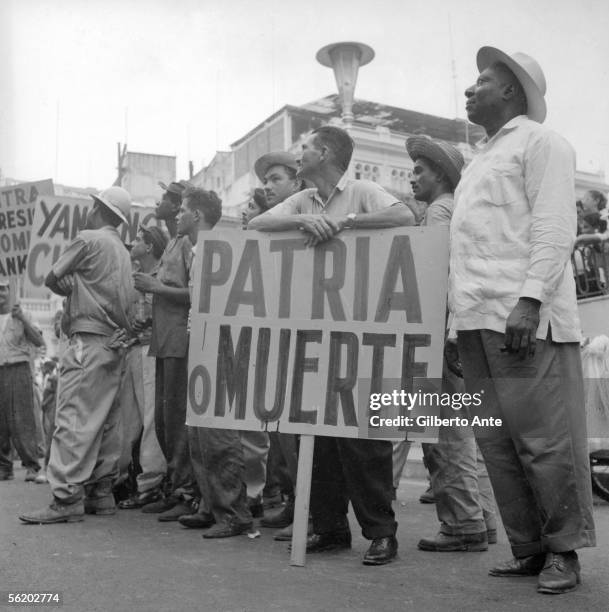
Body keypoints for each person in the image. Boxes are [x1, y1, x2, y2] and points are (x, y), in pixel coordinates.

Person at [449, 47, 595, 594]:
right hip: (476, 321)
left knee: (545, 441)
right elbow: (466, 250)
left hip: (522, 319)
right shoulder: (480, 159)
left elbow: (555, 227)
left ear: (511, 91)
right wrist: (454, 326)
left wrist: (530, 301)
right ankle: (530, 548)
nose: (471, 88)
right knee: (498, 444)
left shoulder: (542, 143)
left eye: (482, 80)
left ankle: (564, 552)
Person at [250, 125, 415, 565]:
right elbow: (257, 222)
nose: (299, 154)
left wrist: (347, 222)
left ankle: (381, 532)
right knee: (317, 438)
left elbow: (405, 217)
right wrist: (303, 220)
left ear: (323, 153)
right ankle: (329, 527)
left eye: (305, 147)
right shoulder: (303, 199)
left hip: (360, 334)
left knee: (363, 439)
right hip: (315, 335)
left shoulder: (361, 190)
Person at [403, 135, 497, 552]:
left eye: (420, 169)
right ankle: (482, 519)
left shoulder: (439, 211)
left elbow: (437, 273)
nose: (412, 177)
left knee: (444, 433)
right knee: (461, 432)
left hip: (438, 332)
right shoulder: (451, 210)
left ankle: (462, 524)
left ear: (440, 174)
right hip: (454, 331)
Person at [20, 186, 134, 523]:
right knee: (105, 422)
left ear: (100, 209)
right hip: (114, 343)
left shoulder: (90, 238)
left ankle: (66, 497)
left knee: (72, 419)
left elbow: (51, 276)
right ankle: (101, 492)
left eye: (93, 205)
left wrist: (70, 284)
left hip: (87, 339)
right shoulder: (123, 252)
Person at [175, 187, 255, 537]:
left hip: (219, 343)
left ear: (196, 215)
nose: (177, 215)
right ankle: (211, 504)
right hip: (201, 339)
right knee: (198, 428)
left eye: (182, 210)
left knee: (218, 430)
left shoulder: (220, 249)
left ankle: (234, 513)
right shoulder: (196, 251)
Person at [133, 187, 197, 522]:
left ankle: (185, 492)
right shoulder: (172, 243)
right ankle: (175, 487)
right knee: (163, 421)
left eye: (169, 197)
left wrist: (156, 287)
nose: (160, 201)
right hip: (163, 341)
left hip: (178, 341)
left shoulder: (186, 243)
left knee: (175, 420)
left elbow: (198, 292)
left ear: (176, 207)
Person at [117, 225, 169, 509]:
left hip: (150, 349)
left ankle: (150, 484)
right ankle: (124, 479)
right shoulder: (136, 277)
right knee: (130, 418)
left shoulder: (160, 275)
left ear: (149, 247)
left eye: (138, 239)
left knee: (149, 416)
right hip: (135, 349)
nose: (133, 243)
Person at [0, 280, 44, 482]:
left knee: (22, 419)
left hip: (18, 369)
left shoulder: (22, 314)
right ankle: (4, 467)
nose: (0, 293)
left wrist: (22, 319)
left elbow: (39, 340)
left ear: (9, 291)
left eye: (2, 289)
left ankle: (32, 465)